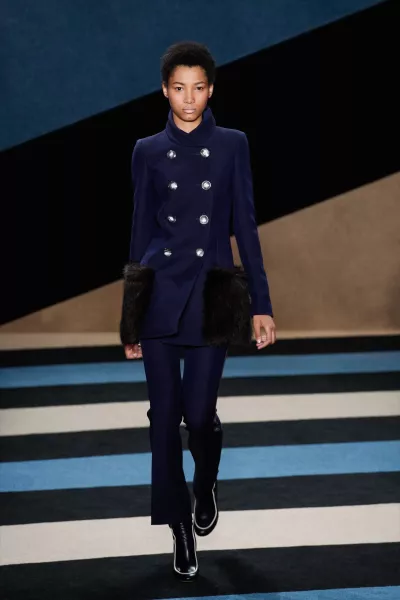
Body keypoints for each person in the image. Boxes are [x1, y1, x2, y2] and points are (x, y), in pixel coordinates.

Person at [120, 40, 276, 581]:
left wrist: (261, 304)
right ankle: (179, 525)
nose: (189, 98)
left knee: (200, 416)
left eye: (199, 87)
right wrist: (130, 318)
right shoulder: (146, 150)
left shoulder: (232, 145)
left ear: (212, 90)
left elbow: (245, 226)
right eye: (179, 88)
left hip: (212, 295)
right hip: (160, 297)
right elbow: (140, 231)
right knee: (164, 418)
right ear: (165, 91)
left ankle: (205, 480)